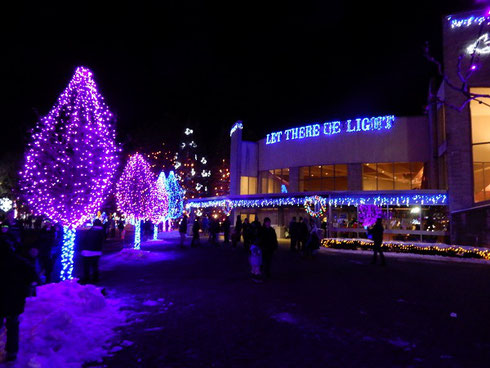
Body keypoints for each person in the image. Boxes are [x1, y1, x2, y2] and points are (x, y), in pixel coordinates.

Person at [0, 229, 38, 362]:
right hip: (14, 300)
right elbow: (33, 277)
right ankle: (11, 352)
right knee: (13, 325)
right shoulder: (21, 262)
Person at [80, 219, 105, 284]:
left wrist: (81, 248)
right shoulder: (101, 231)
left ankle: (86, 278)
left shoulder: (89, 231)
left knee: (86, 265)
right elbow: (102, 241)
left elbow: (83, 239)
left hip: (86, 251)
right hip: (97, 251)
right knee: (95, 265)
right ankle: (95, 278)